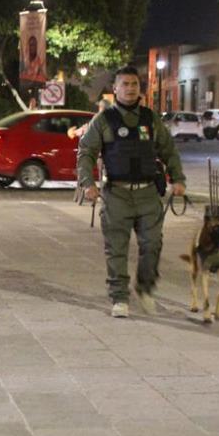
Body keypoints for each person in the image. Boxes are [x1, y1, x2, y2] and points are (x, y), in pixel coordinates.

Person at [77, 66, 186, 318]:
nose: (130, 88)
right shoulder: (103, 121)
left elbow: (169, 150)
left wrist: (178, 179)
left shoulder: (150, 119)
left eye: (134, 83)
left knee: (153, 244)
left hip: (148, 194)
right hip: (117, 194)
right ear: (115, 89)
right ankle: (119, 297)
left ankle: (145, 287)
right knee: (116, 248)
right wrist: (87, 183)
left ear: (140, 88)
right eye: (124, 84)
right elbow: (86, 153)